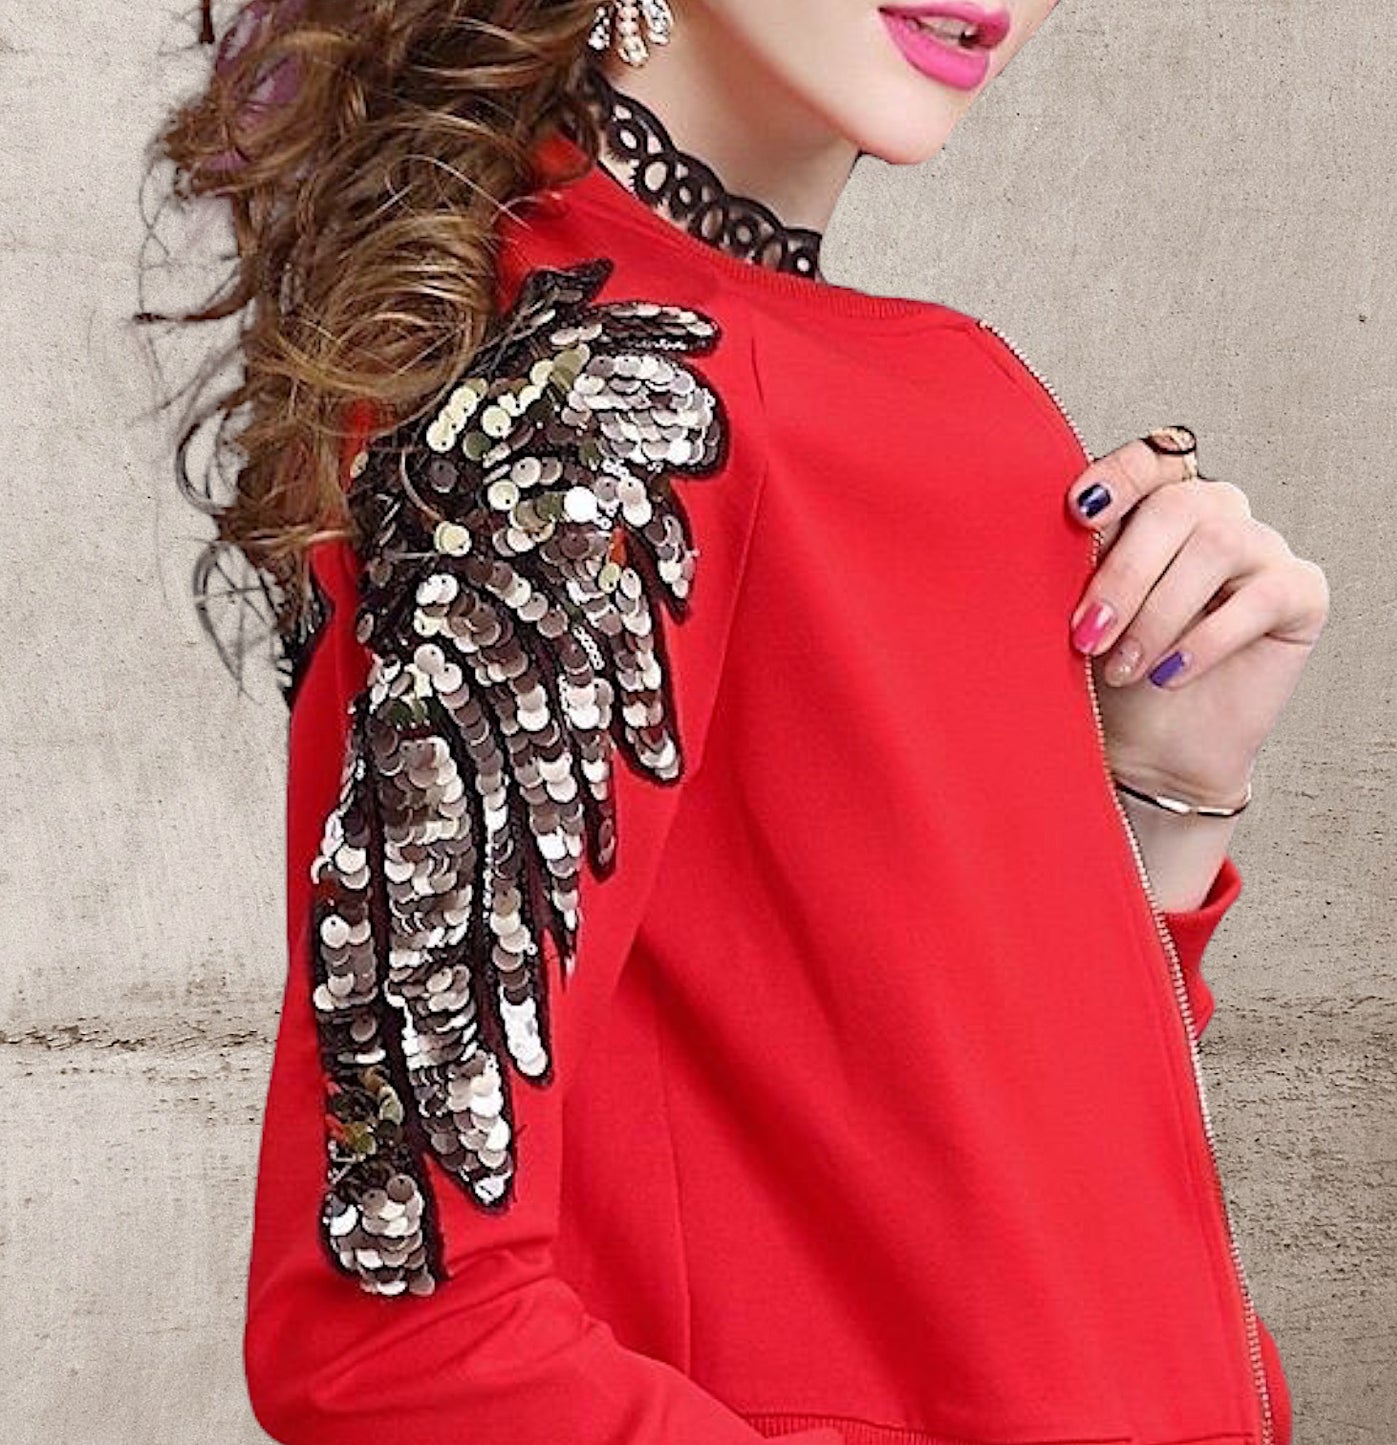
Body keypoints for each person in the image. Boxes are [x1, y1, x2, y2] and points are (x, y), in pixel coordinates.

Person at [150, 3, 1330, 1442]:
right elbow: (399, 1336)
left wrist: (1160, 791)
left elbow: (1013, 1225)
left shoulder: (861, 400)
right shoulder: (591, 417)